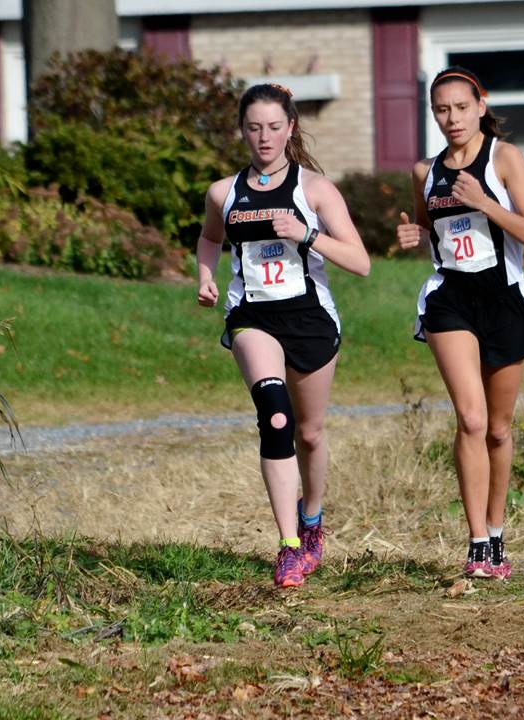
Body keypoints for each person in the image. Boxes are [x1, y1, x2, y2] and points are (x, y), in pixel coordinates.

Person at [196, 83, 370, 588]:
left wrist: (306, 234)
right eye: (254, 128)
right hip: (254, 318)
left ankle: (312, 520)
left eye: (274, 127)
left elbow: (360, 262)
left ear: (290, 127)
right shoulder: (223, 193)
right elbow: (210, 238)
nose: (264, 137)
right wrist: (206, 276)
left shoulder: (315, 190)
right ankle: (289, 545)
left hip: (311, 320)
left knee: (310, 433)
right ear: (242, 131)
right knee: (275, 417)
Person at [395, 67, 524, 580]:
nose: (452, 118)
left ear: (480, 106)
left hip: (503, 298)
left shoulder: (505, 158)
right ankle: (477, 542)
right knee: (472, 420)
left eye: (461, 107)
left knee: (500, 430)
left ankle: (498, 533)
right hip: (451, 301)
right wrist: (415, 237)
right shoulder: (425, 171)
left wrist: (484, 203)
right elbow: (428, 227)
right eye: (442, 109)